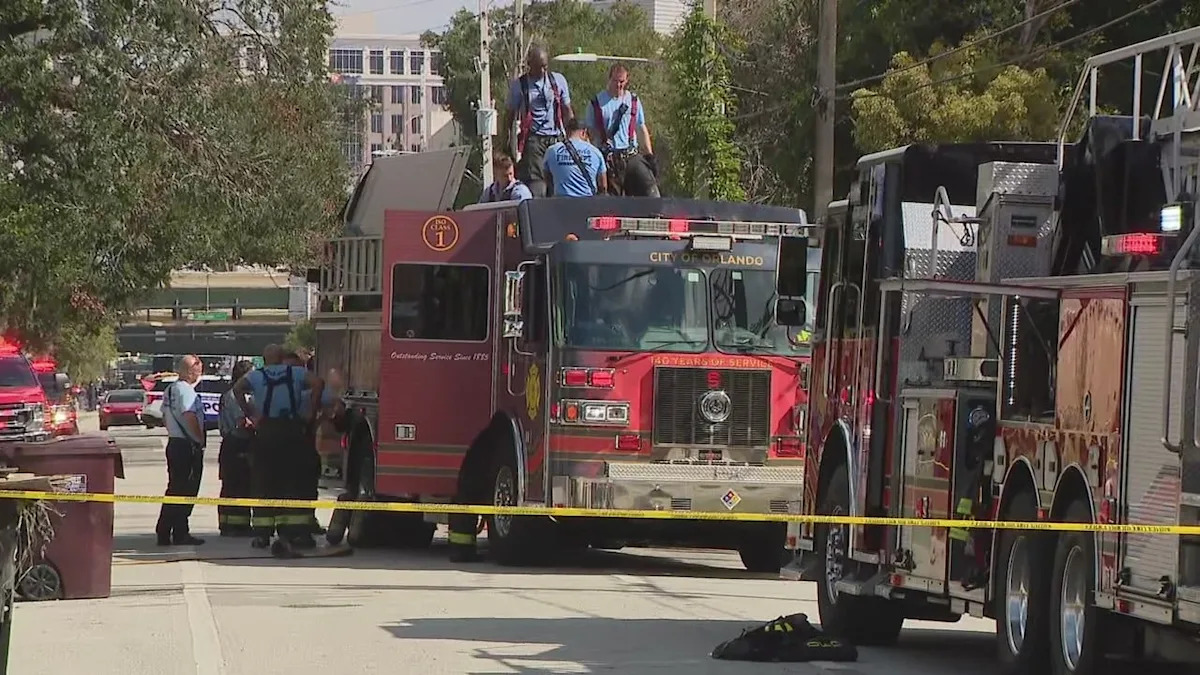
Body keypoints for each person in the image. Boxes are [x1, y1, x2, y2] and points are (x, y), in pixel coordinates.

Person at [233, 344, 325, 554]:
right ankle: (293, 532)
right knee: (293, 481)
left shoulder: (256, 376)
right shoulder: (296, 373)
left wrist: (251, 413)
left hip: (266, 432)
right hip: (292, 430)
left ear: (264, 359)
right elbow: (318, 383)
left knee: (263, 481)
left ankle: (262, 534)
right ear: (282, 357)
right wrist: (311, 411)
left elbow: (237, 389)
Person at [505, 45, 573, 197]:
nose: (543, 70)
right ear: (530, 65)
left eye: (545, 66)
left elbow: (567, 110)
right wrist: (506, 142)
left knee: (559, 181)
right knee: (537, 184)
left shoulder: (558, 80)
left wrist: (574, 135)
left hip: (556, 138)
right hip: (534, 140)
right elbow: (509, 115)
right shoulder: (520, 85)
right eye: (539, 67)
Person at [584, 63, 660, 197]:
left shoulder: (633, 101)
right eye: (615, 81)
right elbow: (589, 133)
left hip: (631, 156)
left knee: (652, 192)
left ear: (626, 80)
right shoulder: (596, 103)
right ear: (609, 79)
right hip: (608, 158)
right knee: (610, 200)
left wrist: (649, 155)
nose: (618, 85)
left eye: (622, 81)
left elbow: (641, 128)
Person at [154, 355, 207, 547]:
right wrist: (198, 438)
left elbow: (164, 416)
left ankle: (173, 531)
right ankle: (174, 531)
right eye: (197, 370)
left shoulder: (171, 389)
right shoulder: (185, 390)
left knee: (175, 489)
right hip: (186, 445)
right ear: (189, 371)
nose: (199, 373)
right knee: (186, 490)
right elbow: (189, 415)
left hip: (175, 443)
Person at [217, 360, 256, 537]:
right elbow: (242, 422)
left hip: (231, 443)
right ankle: (237, 525)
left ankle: (228, 523)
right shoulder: (235, 396)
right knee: (239, 485)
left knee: (231, 485)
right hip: (237, 443)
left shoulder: (230, 394)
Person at [543, 118, 607, 198]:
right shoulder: (596, 152)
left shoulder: (552, 151)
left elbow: (547, 177)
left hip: (561, 201)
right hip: (588, 201)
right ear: (583, 132)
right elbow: (603, 186)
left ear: (566, 132)